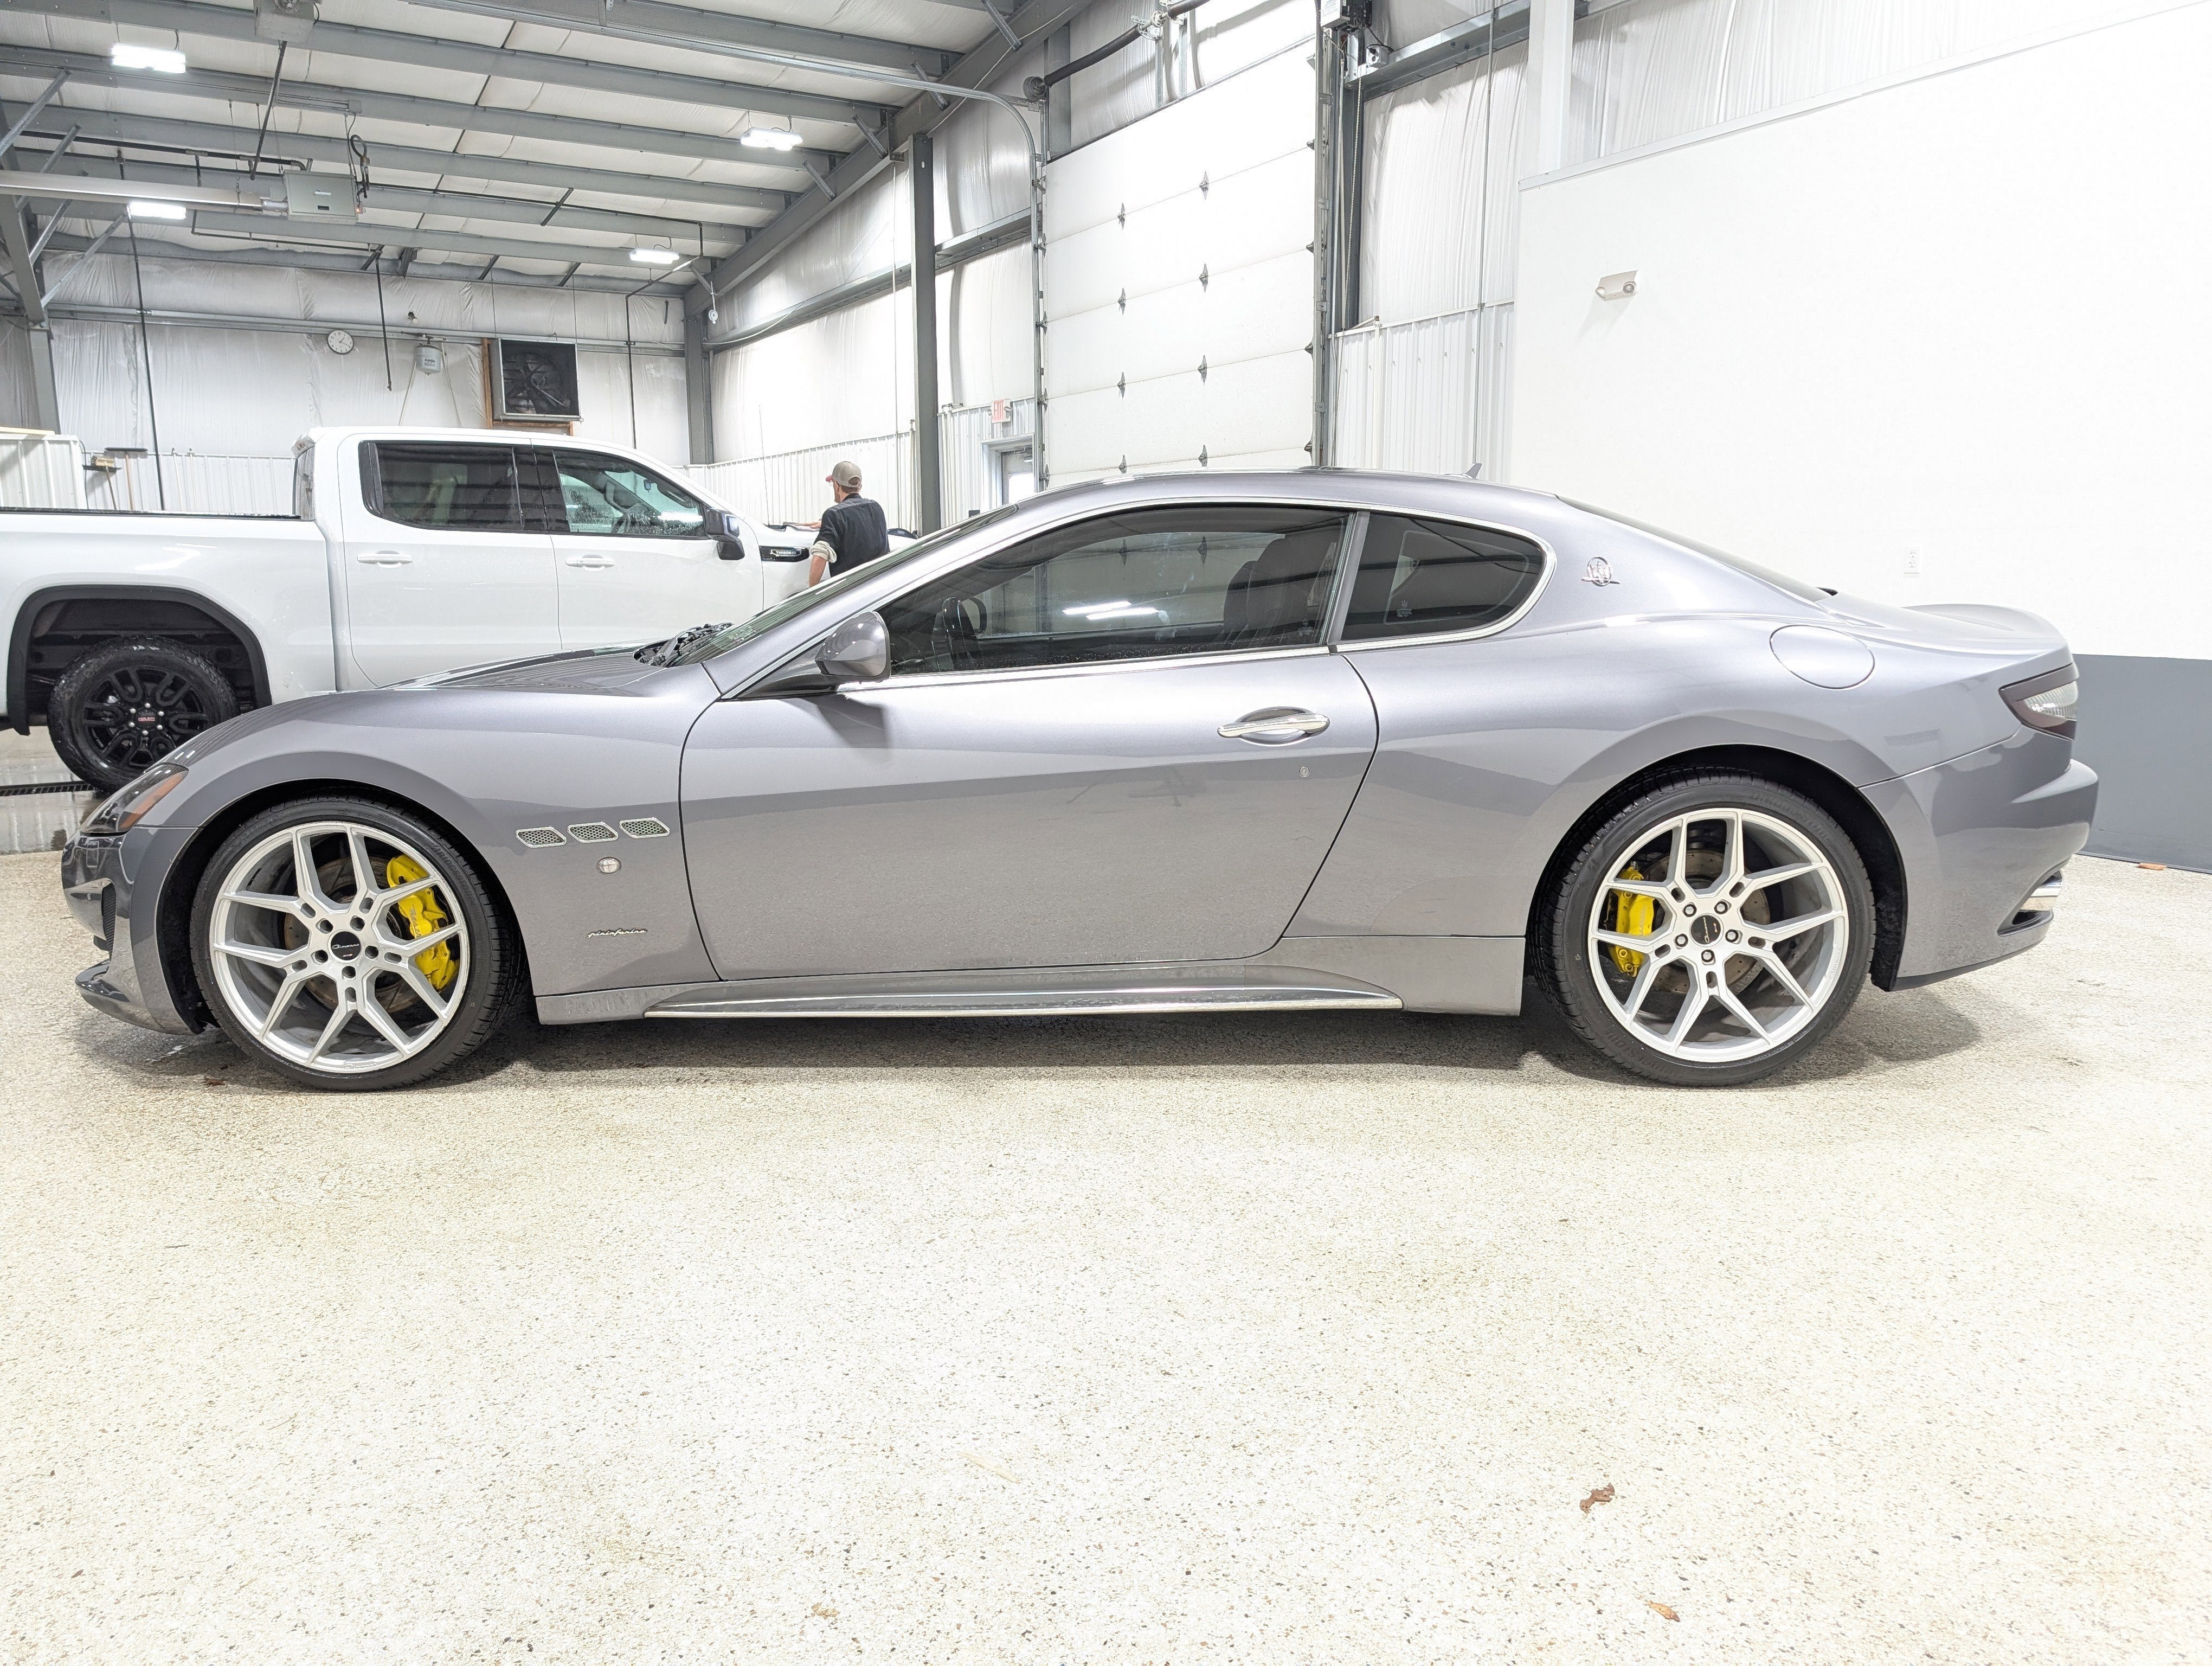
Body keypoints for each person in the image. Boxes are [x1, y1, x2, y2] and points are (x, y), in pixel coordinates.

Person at [804, 459, 890, 586]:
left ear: (837, 486)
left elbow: (820, 557)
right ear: (859, 486)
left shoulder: (834, 515)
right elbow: (860, 529)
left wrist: (810, 595)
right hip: (879, 588)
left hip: (850, 593)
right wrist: (830, 524)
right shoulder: (876, 507)